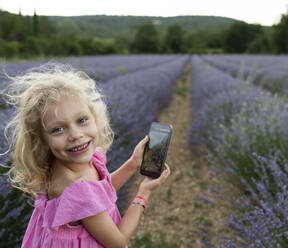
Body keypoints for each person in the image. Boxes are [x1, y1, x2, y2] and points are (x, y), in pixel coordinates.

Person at [1, 63, 170, 248]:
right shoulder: (76, 189)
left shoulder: (73, 164)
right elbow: (119, 242)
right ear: (42, 141)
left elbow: (99, 192)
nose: (75, 135)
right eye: (58, 129)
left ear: (95, 118)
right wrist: (143, 192)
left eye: (82, 120)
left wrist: (133, 163)